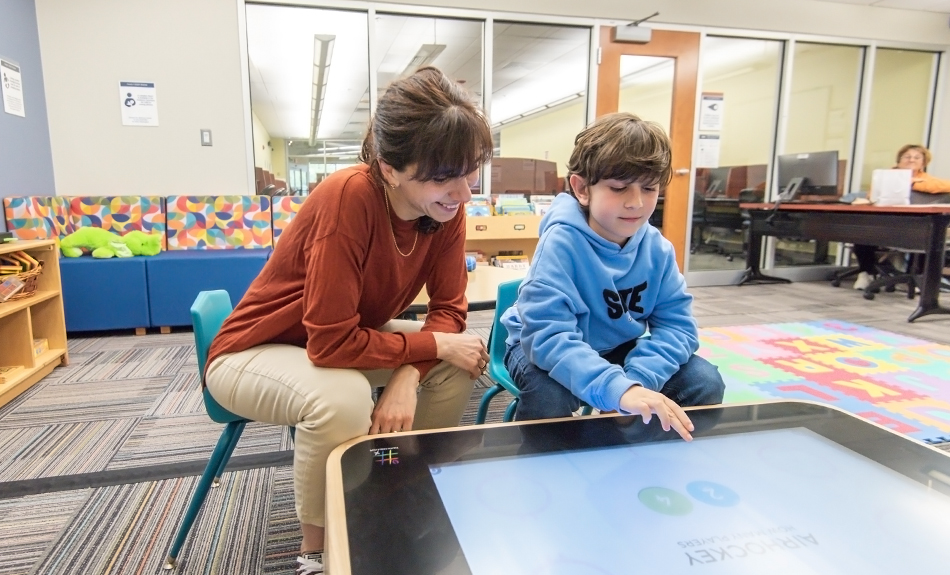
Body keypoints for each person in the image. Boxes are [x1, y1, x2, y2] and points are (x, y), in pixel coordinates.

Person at [204, 66, 492, 575]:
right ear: (389, 169)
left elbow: (449, 312)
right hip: (252, 350)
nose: (463, 192)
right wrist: (427, 349)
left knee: (460, 358)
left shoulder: (446, 209)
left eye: (469, 174)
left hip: (338, 336)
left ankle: (398, 487)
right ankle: (319, 549)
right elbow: (331, 344)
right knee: (344, 397)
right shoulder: (349, 196)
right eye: (443, 177)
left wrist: (409, 373)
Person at [500, 112, 725, 439]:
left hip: (616, 346)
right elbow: (547, 336)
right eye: (619, 188)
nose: (636, 202)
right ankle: (552, 463)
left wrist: (634, 382)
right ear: (582, 189)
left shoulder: (657, 249)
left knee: (704, 382)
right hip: (540, 344)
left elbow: (678, 328)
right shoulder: (561, 244)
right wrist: (614, 389)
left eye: (649, 188)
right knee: (549, 396)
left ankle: (629, 452)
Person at [852, 144, 950, 290]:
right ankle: (866, 273)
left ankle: (916, 278)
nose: (912, 160)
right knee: (861, 232)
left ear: (923, 163)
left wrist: (912, 182)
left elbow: (946, 185)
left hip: (913, 227)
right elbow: (872, 197)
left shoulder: (926, 179)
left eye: (917, 158)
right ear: (899, 160)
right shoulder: (885, 177)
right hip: (884, 223)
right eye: (907, 157)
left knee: (928, 234)